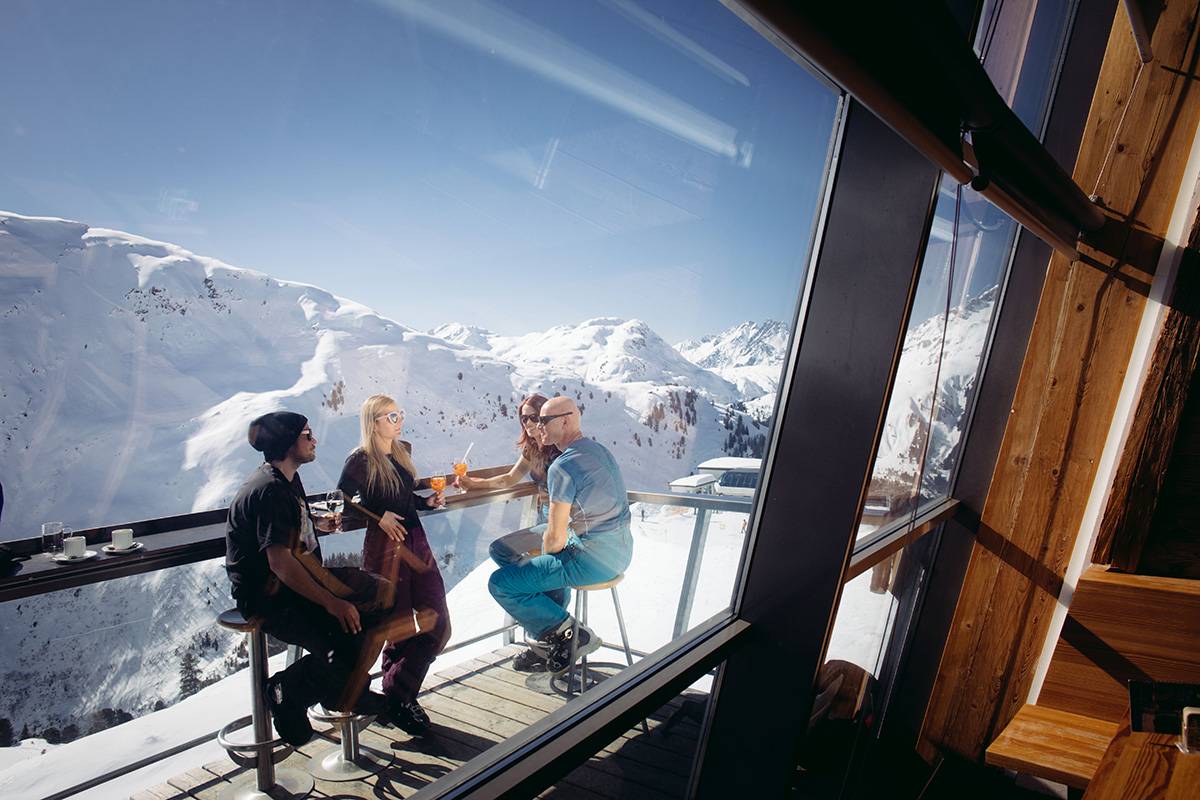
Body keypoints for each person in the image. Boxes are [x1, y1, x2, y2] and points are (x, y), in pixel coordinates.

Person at [225, 411, 395, 747]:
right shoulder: (270, 489)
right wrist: (332, 602)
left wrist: (314, 526)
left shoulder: (285, 478)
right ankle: (288, 690)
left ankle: (342, 687)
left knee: (382, 595)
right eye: (307, 434)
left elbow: (285, 535)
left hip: (300, 580)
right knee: (347, 628)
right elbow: (279, 563)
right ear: (289, 442)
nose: (314, 440)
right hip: (271, 597)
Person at [487, 396, 633, 676]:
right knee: (502, 550)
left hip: (590, 557)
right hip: (617, 549)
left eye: (544, 420)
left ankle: (571, 635)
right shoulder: (597, 450)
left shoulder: (563, 466)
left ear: (566, 421)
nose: (537, 426)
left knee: (501, 584)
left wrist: (539, 568)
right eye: (536, 420)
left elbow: (554, 539)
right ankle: (552, 632)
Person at [338, 394, 450, 735]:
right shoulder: (360, 460)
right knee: (398, 625)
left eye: (399, 414)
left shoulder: (404, 450)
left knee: (439, 623)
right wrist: (378, 517)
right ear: (374, 422)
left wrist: (427, 502)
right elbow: (343, 504)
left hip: (416, 541)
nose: (398, 420)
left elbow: (405, 499)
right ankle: (401, 702)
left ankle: (395, 695)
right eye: (390, 416)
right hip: (385, 548)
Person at [457, 393, 564, 670]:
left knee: (551, 577)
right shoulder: (531, 449)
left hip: (563, 520)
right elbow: (509, 479)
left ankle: (557, 637)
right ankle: (554, 635)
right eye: (524, 417)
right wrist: (473, 484)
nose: (528, 422)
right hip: (544, 518)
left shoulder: (560, 446)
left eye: (534, 416)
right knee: (502, 551)